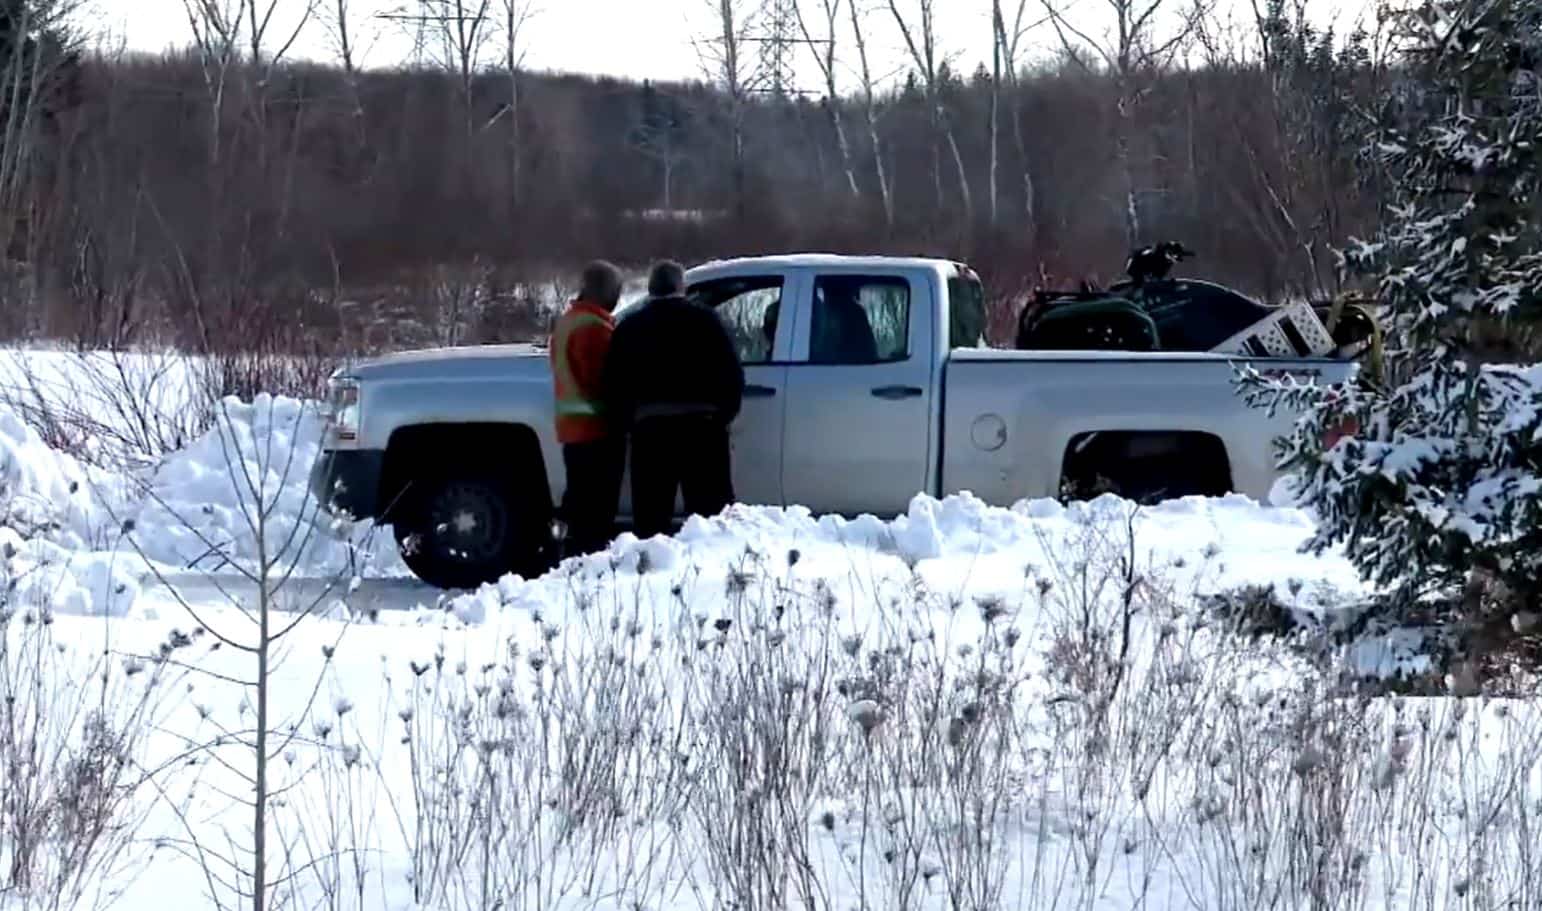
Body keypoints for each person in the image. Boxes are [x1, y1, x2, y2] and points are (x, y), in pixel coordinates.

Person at [602, 260, 744, 540]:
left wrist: (629, 424)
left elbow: (613, 384)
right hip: (703, 429)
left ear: (650, 289)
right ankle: (710, 575)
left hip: (651, 432)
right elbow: (732, 375)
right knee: (710, 519)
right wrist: (722, 418)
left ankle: (653, 575)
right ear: (683, 288)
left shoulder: (630, 328)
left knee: (651, 521)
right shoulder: (708, 321)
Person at [549, 260, 626, 557]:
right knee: (596, 510)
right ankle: (587, 562)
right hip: (596, 428)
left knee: (577, 503)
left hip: (572, 428)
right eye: (616, 291)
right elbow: (603, 380)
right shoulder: (594, 328)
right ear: (605, 292)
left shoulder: (569, 321)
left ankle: (568, 555)